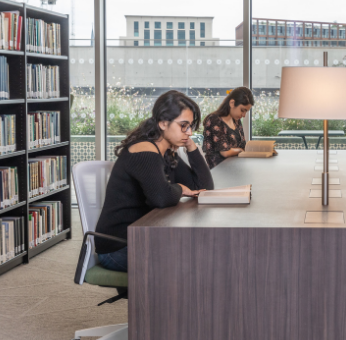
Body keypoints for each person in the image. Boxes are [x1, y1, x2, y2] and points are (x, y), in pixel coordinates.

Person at [95, 90, 214, 272]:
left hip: (142, 237)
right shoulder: (144, 150)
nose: (189, 132)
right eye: (183, 125)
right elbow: (161, 197)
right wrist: (180, 188)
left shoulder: (166, 151)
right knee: (192, 261)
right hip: (118, 247)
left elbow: (204, 188)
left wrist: (191, 146)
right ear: (163, 123)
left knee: (201, 253)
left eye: (190, 126)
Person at [202, 87, 254, 168]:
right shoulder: (214, 120)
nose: (244, 115)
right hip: (218, 171)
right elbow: (225, 152)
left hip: (235, 167)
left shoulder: (236, 121)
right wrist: (240, 150)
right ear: (232, 103)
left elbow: (243, 146)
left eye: (246, 111)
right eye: (242, 110)